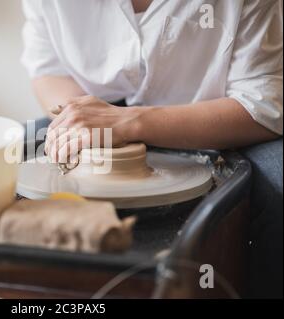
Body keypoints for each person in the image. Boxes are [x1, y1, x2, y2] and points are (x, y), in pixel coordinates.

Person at [20, 0, 283, 298]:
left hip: (214, 114)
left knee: (279, 181)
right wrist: (79, 123)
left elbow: (262, 105)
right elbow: (48, 70)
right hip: (97, 104)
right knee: (15, 152)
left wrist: (132, 123)